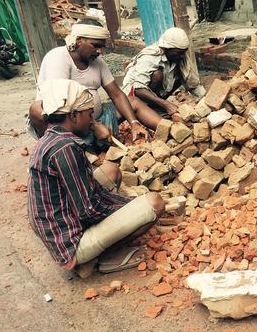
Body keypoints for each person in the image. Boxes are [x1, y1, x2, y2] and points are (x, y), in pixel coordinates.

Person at [28, 79, 165, 273]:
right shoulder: (65, 149)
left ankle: (94, 249)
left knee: (111, 170)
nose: (92, 120)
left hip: (58, 226)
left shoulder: (51, 137)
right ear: (74, 115)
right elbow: (89, 210)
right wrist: (129, 203)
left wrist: (124, 203)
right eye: (89, 114)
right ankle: (96, 259)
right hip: (70, 244)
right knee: (154, 203)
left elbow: (85, 192)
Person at [27, 19, 161, 143]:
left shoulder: (97, 61)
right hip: (70, 125)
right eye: (95, 45)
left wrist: (133, 123)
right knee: (36, 110)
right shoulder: (57, 58)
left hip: (96, 119)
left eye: (102, 47)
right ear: (79, 40)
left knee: (132, 101)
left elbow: (117, 94)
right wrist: (94, 126)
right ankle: (70, 147)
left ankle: (173, 129)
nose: (100, 51)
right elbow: (59, 107)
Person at [121, 27, 205, 115]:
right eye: (178, 53)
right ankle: (151, 108)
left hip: (154, 93)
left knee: (183, 72)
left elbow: (192, 83)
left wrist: (205, 98)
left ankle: (156, 106)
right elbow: (138, 89)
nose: (182, 56)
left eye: (183, 52)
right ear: (167, 49)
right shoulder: (150, 57)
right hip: (133, 96)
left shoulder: (179, 56)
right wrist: (166, 105)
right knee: (157, 74)